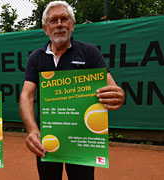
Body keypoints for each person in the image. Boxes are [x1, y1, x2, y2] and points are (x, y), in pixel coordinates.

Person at [19, 1, 125, 180]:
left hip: (81, 140)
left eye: (64, 19)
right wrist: (32, 130)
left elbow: (112, 87)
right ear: (46, 29)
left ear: (73, 25)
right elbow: (26, 96)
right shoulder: (35, 58)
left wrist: (118, 95)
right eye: (53, 20)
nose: (59, 24)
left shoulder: (89, 52)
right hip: (47, 138)